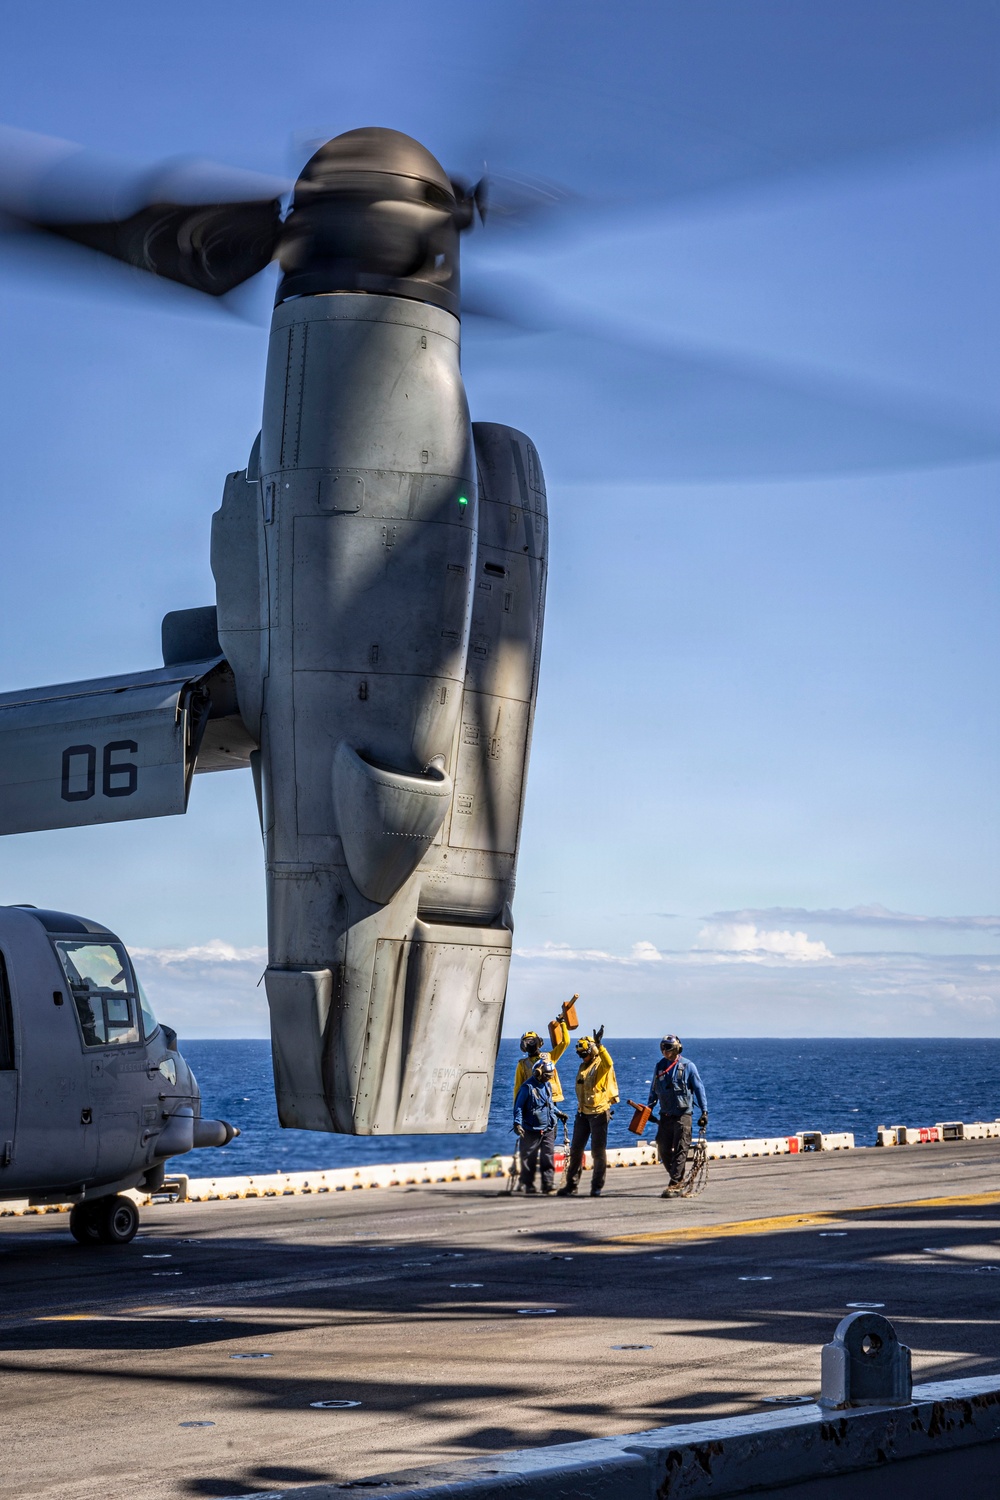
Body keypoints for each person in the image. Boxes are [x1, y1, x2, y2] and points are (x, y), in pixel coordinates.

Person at [556, 1026, 618, 1198]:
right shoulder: (583, 1066)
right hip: (582, 1114)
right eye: (580, 1054)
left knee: (598, 1151)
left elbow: (609, 1062)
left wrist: (599, 1044)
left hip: (599, 1113)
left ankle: (597, 1186)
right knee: (576, 1150)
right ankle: (572, 1185)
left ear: (593, 1050)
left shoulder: (601, 1065)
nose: (582, 1057)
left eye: (585, 1053)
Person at [648, 1034, 708, 1196]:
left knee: (681, 1148)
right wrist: (649, 1108)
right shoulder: (660, 1066)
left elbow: (699, 1089)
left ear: (677, 1049)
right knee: (663, 1146)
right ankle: (678, 1179)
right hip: (665, 1115)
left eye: (668, 1047)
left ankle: (675, 1183)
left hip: (683, 1115)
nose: (664, 1051)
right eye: (662, 1047)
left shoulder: (688, 1066)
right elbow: (654, 1089)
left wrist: (704, 1112)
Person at [512, 1058, 566, 1194]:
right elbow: (518, 1106)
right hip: (531, 1129)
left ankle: (548, 1183)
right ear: (538, 1072)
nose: (548, 1079)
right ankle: (528, 1184)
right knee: (528, 1157)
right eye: (546, 1076)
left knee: (547, 1156)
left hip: (547, 1128)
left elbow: (549, 1104)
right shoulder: (527, 1088)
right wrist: (517, 1123)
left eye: (550, 1076)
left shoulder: (547, 1085)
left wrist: (558, 1113)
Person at [512, 1006, 572, 1108]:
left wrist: (563, 1023)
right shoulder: (522, 1064)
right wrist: (517, 1109)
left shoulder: (549, 1056)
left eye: (532, 1041)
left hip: (550, 1100)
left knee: (552, 1123)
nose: (530, 1044)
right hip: (533, 1102)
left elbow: (565, 1042)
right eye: (527, 1042)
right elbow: (518, 1087)